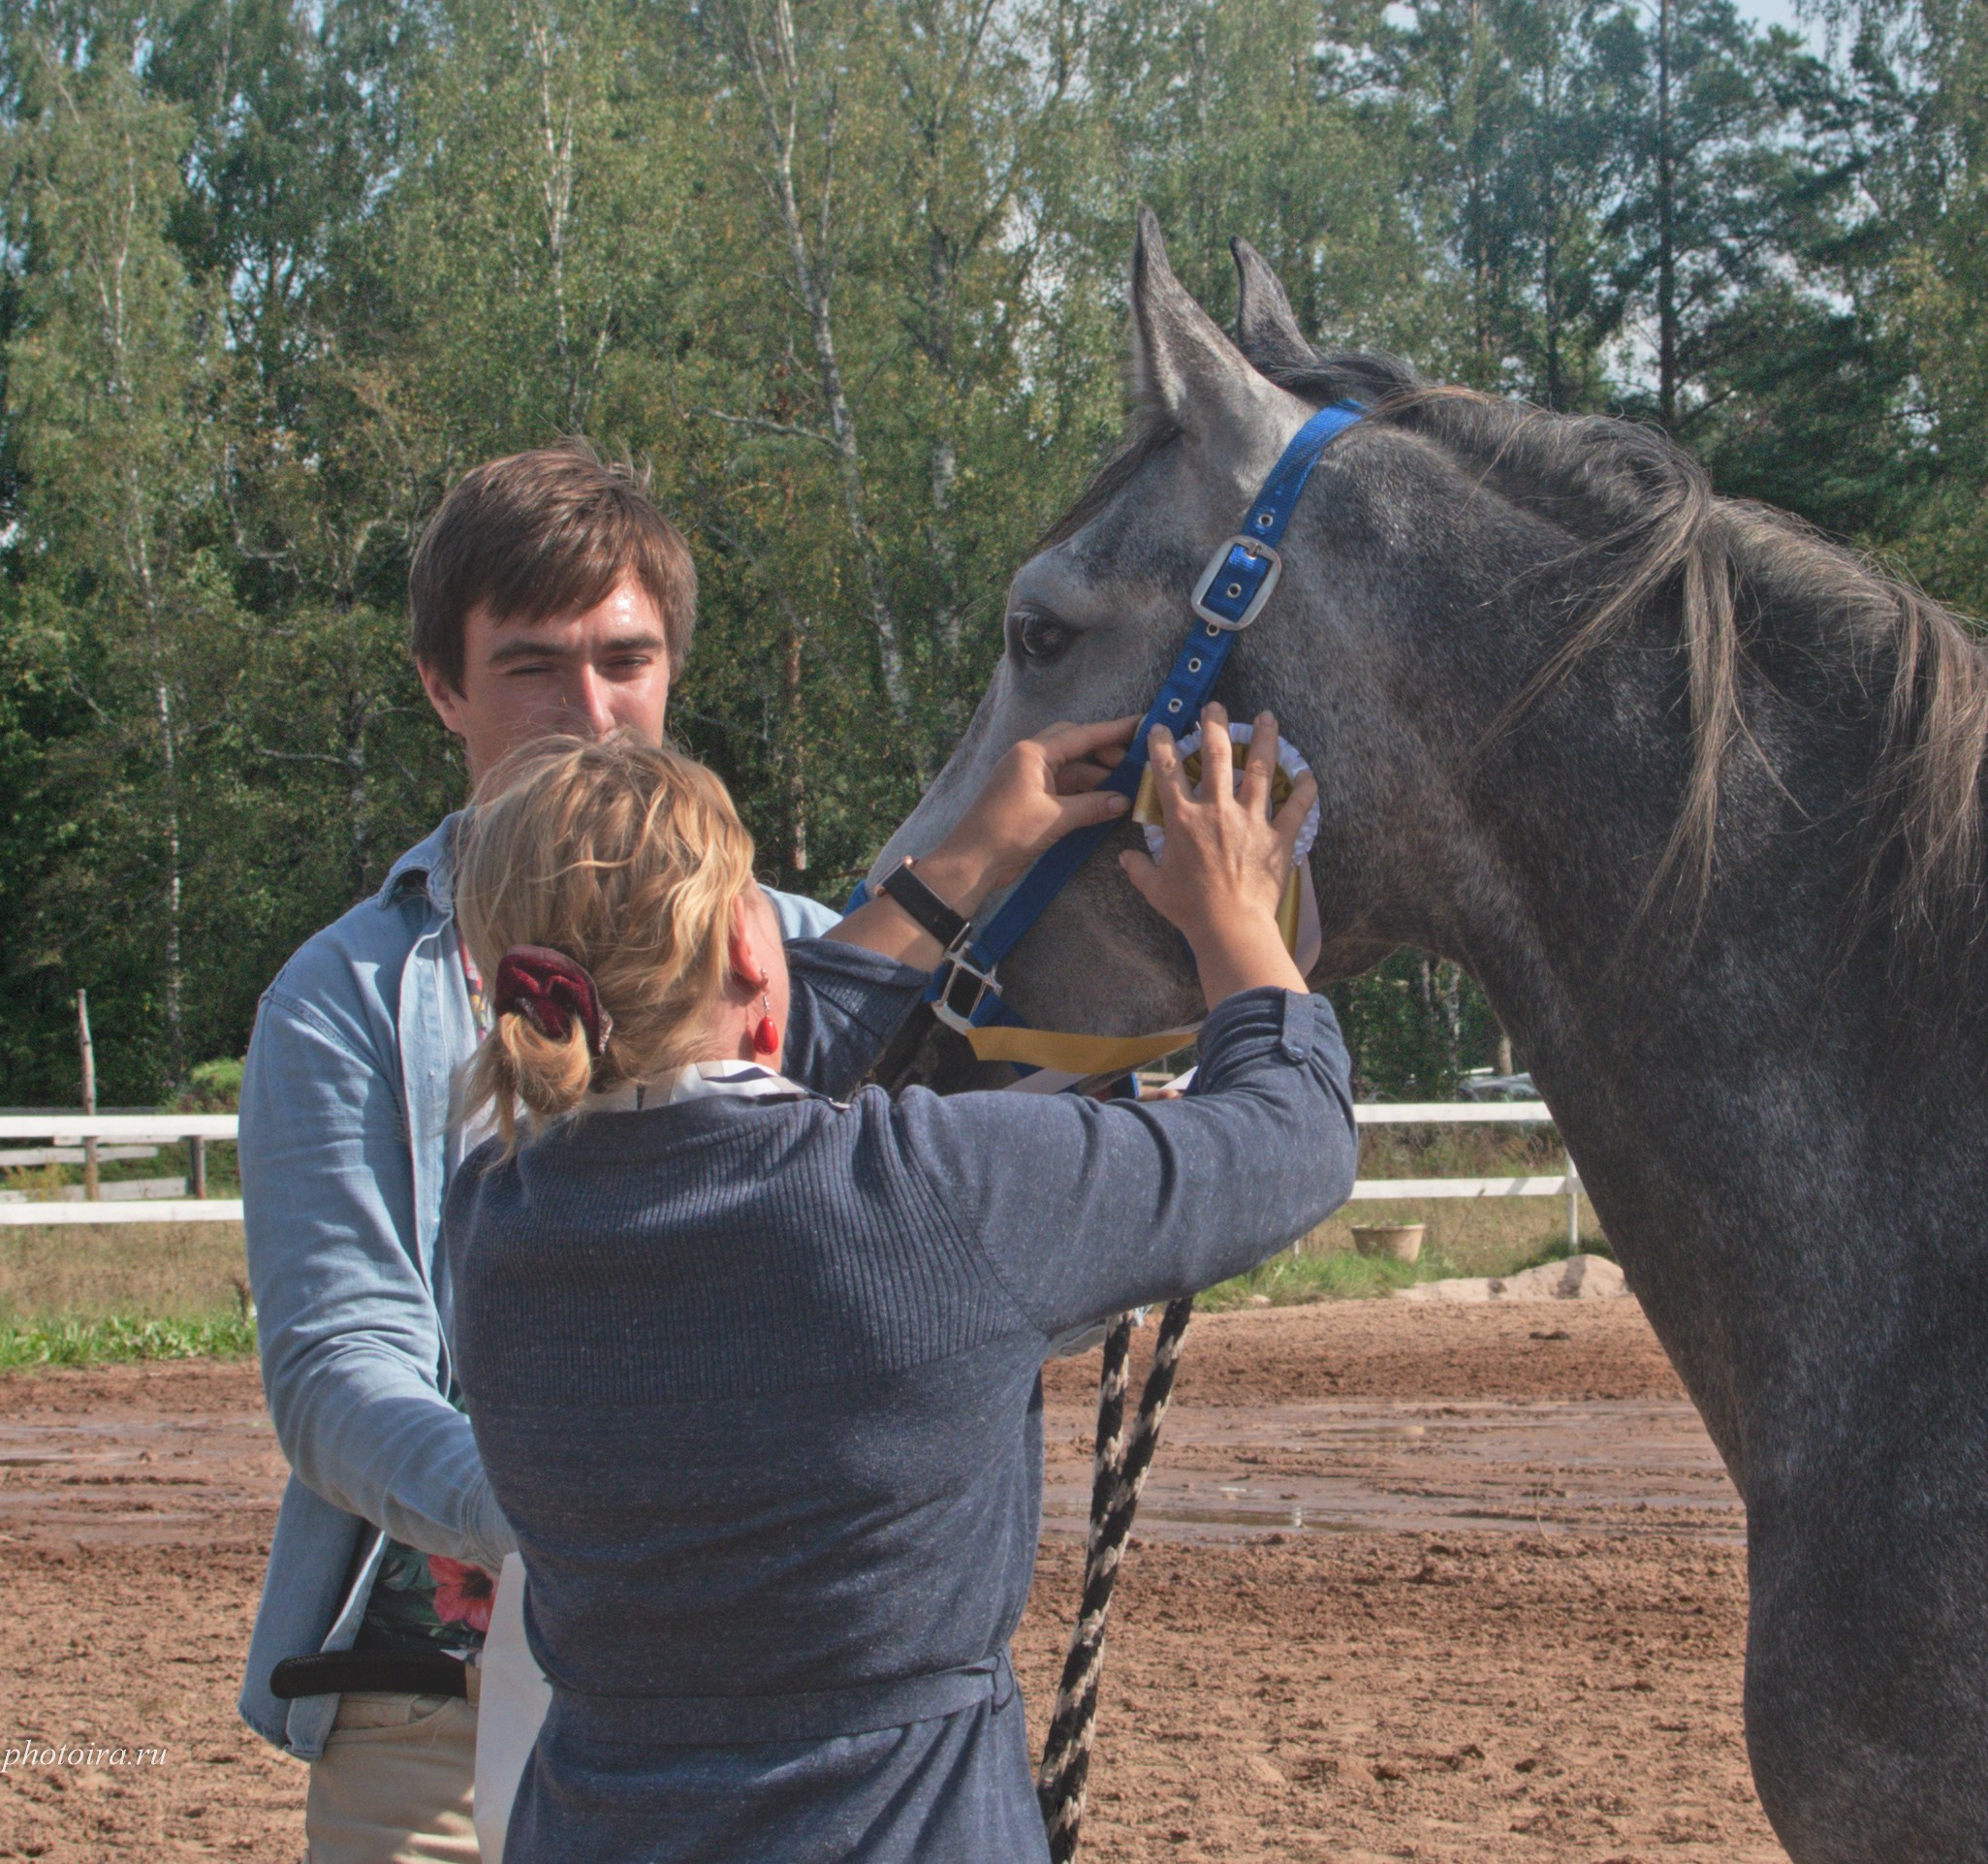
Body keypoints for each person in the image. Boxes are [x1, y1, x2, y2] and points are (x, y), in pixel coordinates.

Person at [238, 444, 1046, 1863]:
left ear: (674, 664)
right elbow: (334, 1371)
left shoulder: (797, 946)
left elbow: (933, 1246)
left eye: (627, 659)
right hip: (431, 1711)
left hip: (768, 1709)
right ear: (442, 687)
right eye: (534, 669)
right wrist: (562, 1516)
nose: (595, 714)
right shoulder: (348, 996)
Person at [443, 703, 1357, 1863]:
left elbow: (718, 1071)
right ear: (743, 944)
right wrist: (1236, 917)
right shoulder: (932, 1192)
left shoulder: (498, 1213)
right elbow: (1291, 1139)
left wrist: (962, 864)